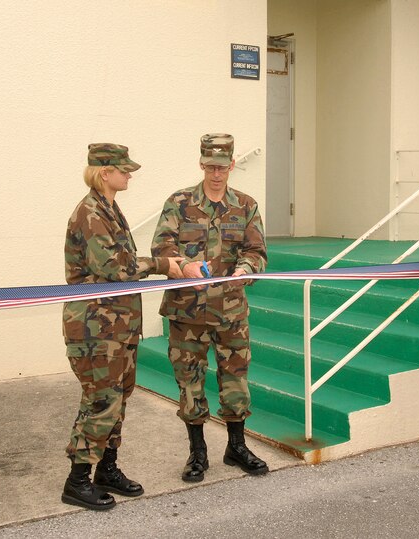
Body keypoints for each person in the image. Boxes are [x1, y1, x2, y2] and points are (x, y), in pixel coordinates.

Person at [61, 143, 183, 511]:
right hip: (96, 327)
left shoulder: (108, 208)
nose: (129, 175)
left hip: (117, 325)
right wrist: (164, 264)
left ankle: (107, 469)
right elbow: (116, 268)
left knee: (118, 397)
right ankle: (77, 481)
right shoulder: (91, 213)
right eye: (123, 169)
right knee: (101, 400)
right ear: (104, 173)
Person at [151, 133, 268, 483]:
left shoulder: (245, 205)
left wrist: (246, 268)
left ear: (232, 165)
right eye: (210, 166)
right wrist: (180, 266)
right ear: (201, 164)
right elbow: (161, 248)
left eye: (222, 167)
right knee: (190, 381)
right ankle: (197, 452)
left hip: (230, 310)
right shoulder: (179, 202)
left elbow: (257, 252)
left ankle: (236, 446)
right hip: (186, 311)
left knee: (235, 378)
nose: (216, 173)